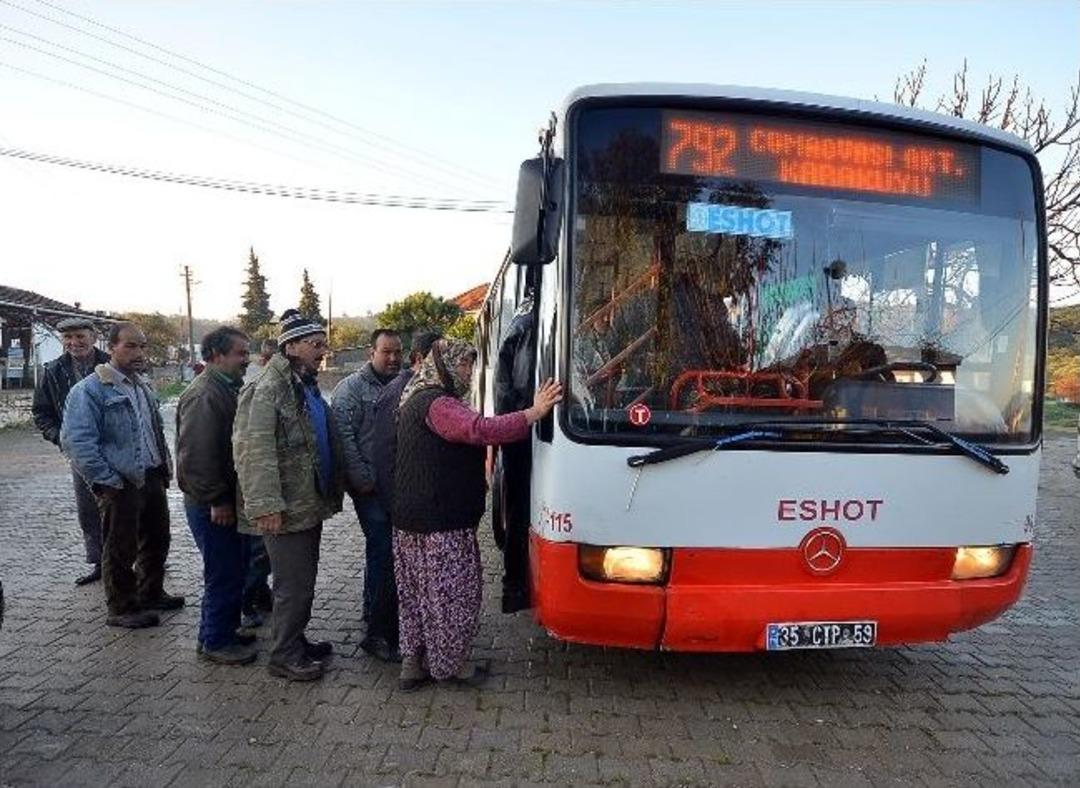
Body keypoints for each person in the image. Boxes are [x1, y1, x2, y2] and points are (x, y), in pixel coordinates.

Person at [392, 339, 562, 690]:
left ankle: (415, 660)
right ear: (446, 365)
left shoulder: (414, 396)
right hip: (441, 520)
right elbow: (479, 430)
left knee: (417, 594)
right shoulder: (438, 403)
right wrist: (532, 413)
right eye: (466, 365)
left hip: (410, 519)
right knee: (453, 595)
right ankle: (451, 666)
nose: (470, 373)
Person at [233, 309, 343, 681]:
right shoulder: (268, 388)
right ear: (291, 346)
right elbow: (254, 449)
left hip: (306, 502)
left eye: (323, 343)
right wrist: (265, 505)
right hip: (285, 508)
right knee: (292, 586)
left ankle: (295, 640)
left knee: (303, 582)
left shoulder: (302, 382)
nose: (323, 350)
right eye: (316, 344)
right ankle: (283, 655)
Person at [61, 322, 184, 628]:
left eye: (142, 346)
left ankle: (151, 592)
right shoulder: (89, 390)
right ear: (112, 347)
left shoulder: (141, 384)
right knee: (120, 546)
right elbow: (77, 441)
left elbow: (153, 430)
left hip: (151, 475)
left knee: (157, 539)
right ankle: (122, 607)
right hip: (120, 480)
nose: (139, 352)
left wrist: (163, 468)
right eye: (130, 346)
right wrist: (105, 480)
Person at [176, 326, 256, 665]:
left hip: (223, 499)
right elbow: (198, 456)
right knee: (222, 570)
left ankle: (220, 629)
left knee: (234, 568)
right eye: (240, 353)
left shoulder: (226, 388)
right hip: (211, 503)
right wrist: (217, 500)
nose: (246, 359)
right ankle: (215, 641)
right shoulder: (205, 395)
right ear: (217, 356)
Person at [365, 329, 442, 662]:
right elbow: (384, 452)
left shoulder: (415, 388)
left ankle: (399, 632)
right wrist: (395, 501)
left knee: (402, 570)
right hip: (397, 501)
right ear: (422, 359)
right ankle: (379, 635)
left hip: (406, 499)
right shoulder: (401, 391)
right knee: (389, 569)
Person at [330, 329, 403, 659]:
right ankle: (377, 630)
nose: (393, 358)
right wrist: (362, 479)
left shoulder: (402, 382)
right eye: (386, 352)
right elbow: (344, 439)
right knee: (382, 552)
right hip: (370, 488)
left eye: (397, 352)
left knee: (385, 554)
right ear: (371, 352)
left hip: (396, 486)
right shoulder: (351, 389)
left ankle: (376, 613)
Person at [32, 317, 111, 586]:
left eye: (80, 336)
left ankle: (137, 560)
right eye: (67, 337)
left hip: (117, 448)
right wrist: (62, 439)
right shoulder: (53, 370)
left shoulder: (112, 363)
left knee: (129, 505)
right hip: (80, 453)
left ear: (93, 336)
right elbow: (41, 413)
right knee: (89, 509)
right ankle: (100, 562)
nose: (74, 342)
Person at [493, 298, 535, 614]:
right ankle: (516, 585)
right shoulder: (529, 323)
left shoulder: (523, 317)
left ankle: (515, 584)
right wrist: (520, 421)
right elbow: (512, 388)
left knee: (519, 509)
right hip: (523, 431)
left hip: (519, 429)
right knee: (519, 511)